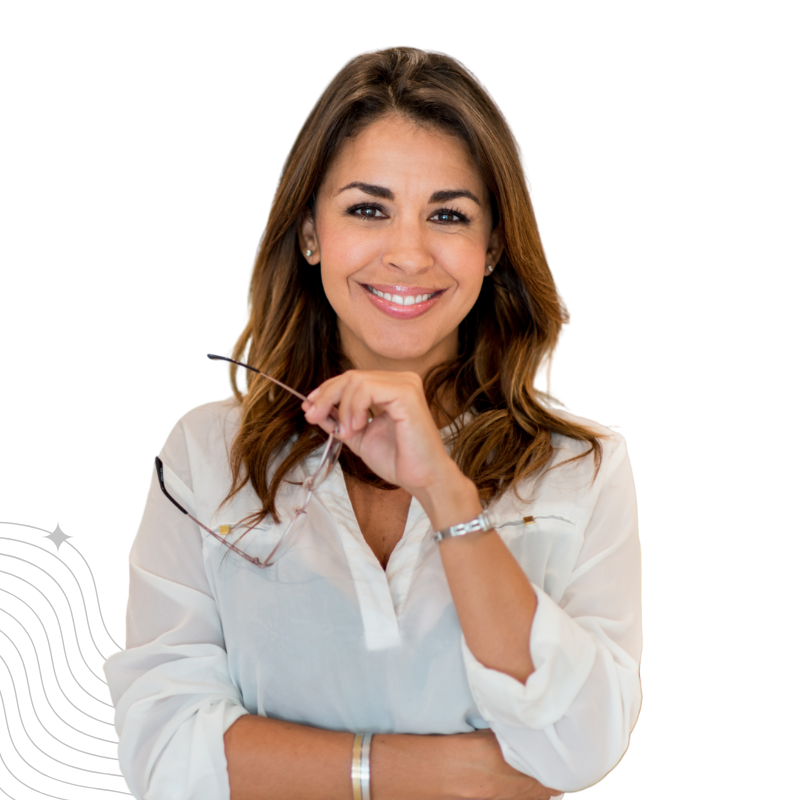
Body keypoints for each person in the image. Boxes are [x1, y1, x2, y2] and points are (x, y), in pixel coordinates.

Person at [103, 46, 642, 800]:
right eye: (367, 209)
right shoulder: (205, 453)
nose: (408, 254)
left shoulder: (580, 466)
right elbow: (163, 750)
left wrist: (446, 492)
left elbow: (579, 748)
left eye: (448, 215)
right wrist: (441, 776)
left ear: (492, 248)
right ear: (310, 232)